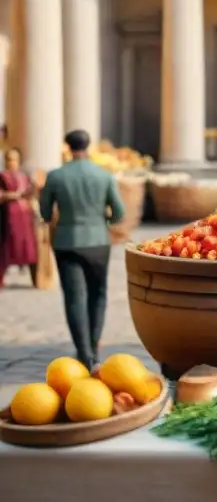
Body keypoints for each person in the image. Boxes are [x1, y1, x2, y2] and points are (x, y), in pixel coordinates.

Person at [39, 129, 126, 370]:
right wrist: (101, 222)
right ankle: (94, 348)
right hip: (98, 241)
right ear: (89, 146)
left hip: (67, 241)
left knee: (74, 297)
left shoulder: (56, 176)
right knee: (98, 295)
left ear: (67, 147)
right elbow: (119, 212)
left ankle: (83, 353)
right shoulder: (104, 175)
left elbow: (45, 213)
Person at [0, 148, 38, 289]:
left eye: (15, 159)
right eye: (9, 159)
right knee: (7, 245)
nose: (12, 162)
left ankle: (36, 278)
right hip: (8, 214)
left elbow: (30, 193)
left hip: (25, 215)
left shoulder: (25, 176)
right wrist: (14, 195)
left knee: (28, 246)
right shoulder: (2, 176)